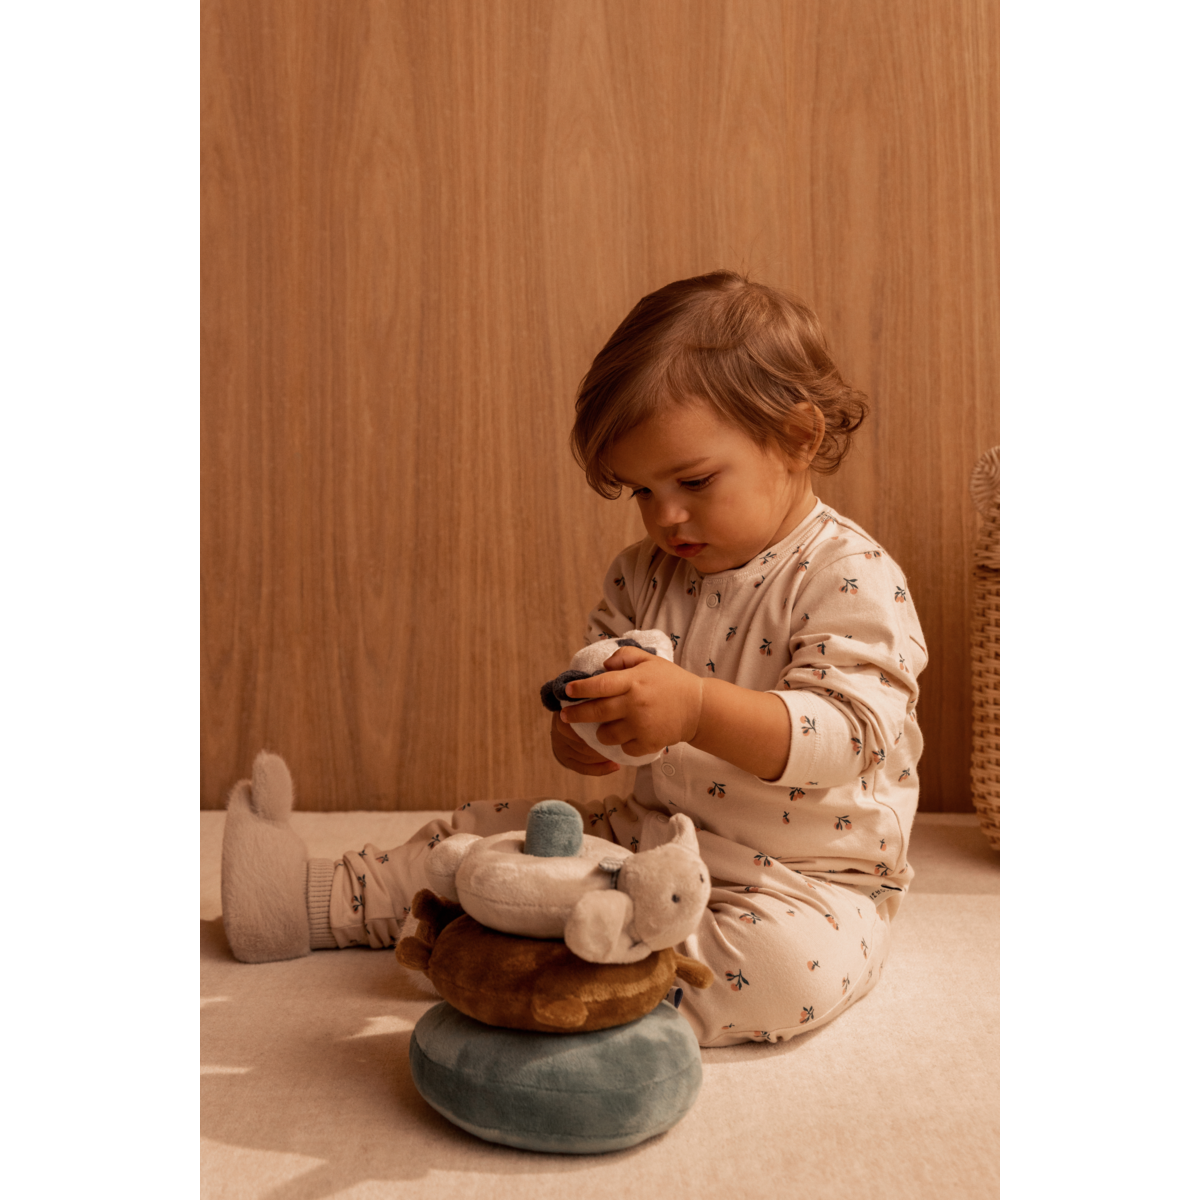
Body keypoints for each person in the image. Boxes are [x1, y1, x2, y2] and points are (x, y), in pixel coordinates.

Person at [221, 270, 928, 1048]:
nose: (666, 516)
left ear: (798, 437)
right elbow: (600, 722)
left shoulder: (847, 574)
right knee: (488, 840)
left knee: (784, 972)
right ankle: (312, 898)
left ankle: (562, 982)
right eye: (640, 491)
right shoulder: (643, 573)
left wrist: (694, 707)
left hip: (802, 880)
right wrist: (587, 734)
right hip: (650, 839)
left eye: (693, 480)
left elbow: (852, 736)